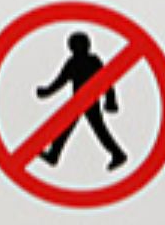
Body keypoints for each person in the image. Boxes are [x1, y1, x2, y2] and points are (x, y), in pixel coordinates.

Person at [36, 31, 129, 171]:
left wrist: (111, 100)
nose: (78, 47)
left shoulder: (93, 60)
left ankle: (118, 154)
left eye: (80, 44)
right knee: (69, 126)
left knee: (97, 129)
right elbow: (60, 80)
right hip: (78, 100)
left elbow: (106, 81)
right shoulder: (72, 62)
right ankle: (54, 154)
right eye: (75, 44)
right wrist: (46, 92)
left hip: (89, 100)